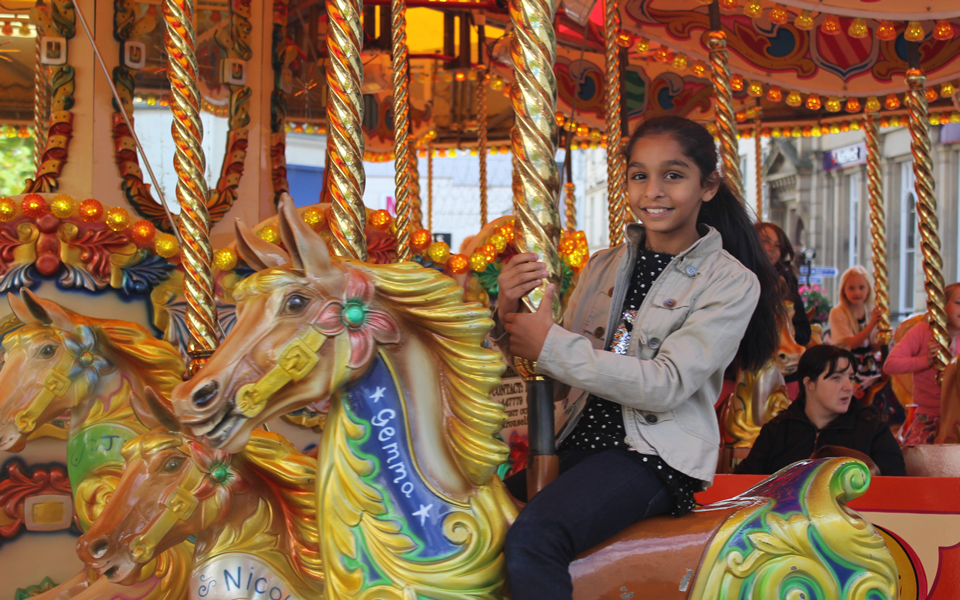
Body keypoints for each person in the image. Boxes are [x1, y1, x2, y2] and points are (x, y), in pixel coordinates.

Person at [495, 116, 783, 600]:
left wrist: (551, 346)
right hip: (575, 440)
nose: (654, 190)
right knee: (476, 521)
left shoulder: (729, 281)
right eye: (638, 175)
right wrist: (508, 310)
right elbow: (556, 375)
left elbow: (667, 383)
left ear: (707, 185)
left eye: (673, 175)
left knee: (536, 536)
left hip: (651, 454)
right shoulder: (601, 266)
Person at [735, 345, 906, 476]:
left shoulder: (873, 431)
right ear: (809, 383)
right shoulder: (777, 431)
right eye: (836, 378)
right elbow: (745, 484)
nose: (848, 387)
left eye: (851, 378)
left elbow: (894, 489)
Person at [884, 283, 960, 445]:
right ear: (940, 306)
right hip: (929, 412)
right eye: (958, 303)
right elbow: (890, 364)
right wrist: (925, 360)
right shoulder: (922, 332)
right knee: (916, 456)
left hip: (957, 414)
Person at [757, 222, 811, 346]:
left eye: (777, 245)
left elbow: (803, 331)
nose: (771, 249)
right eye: (765, 241)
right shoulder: (741, 276)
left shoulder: (787, 280)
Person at [829, 266, 882, 382]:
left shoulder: (869, 312)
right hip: (847, 364)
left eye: (861, 287)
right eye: (851, 288)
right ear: (844, 290)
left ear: (868, 289)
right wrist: (872, 323)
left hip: (868, 364)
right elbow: (853, 343)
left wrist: (887, 339)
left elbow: (873, 347)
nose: (857, 292)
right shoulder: (838, 312)